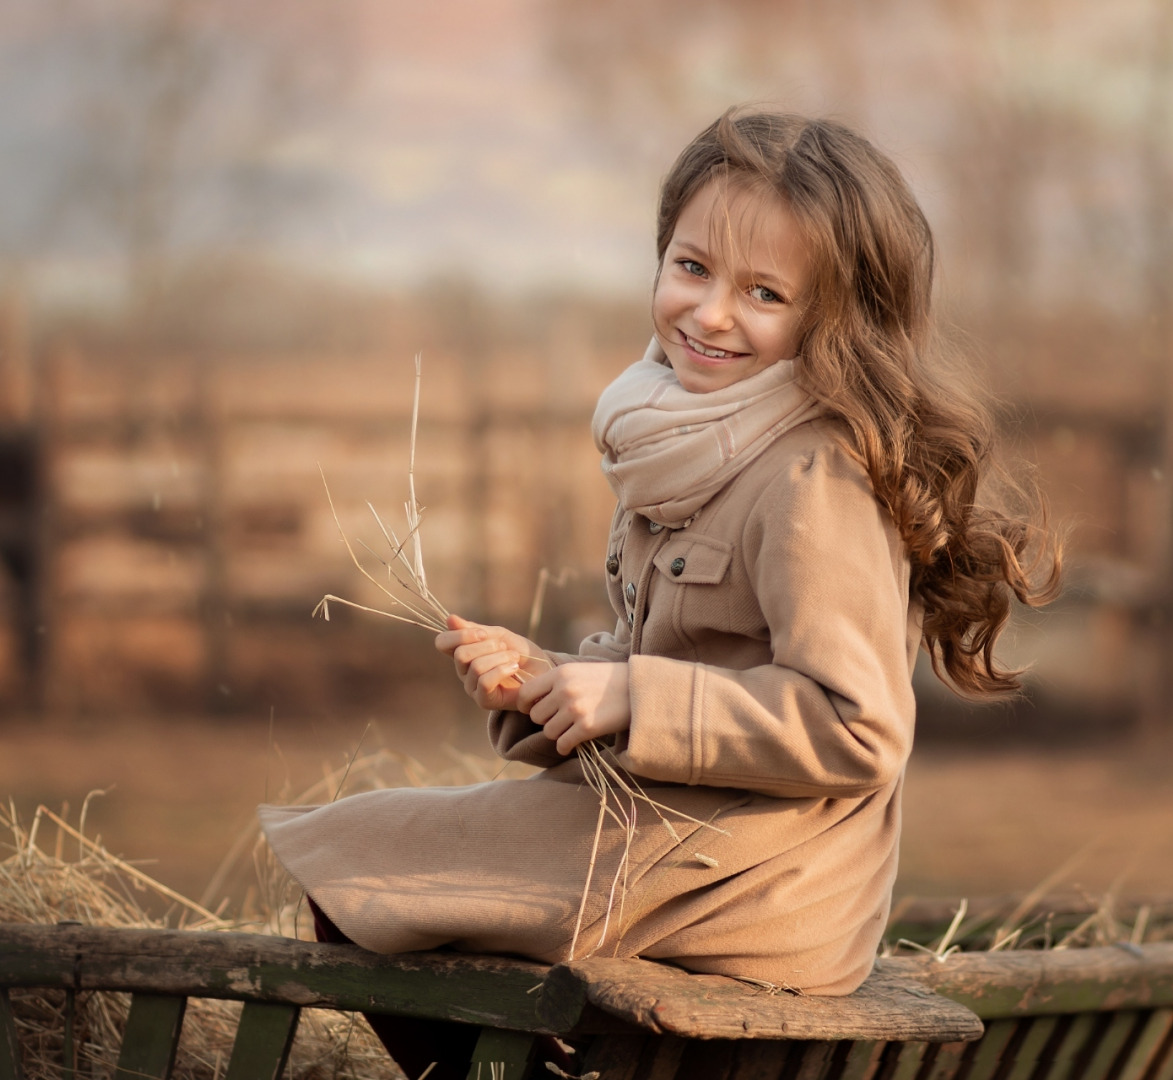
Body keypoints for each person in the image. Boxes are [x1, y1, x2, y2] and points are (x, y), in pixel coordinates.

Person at [260, 108, 1059, 1073]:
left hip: (763, 878)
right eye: (692, 269)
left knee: (366, 865)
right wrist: (545, 681)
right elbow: (681, 656)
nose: (712, 313)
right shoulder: (682, 440)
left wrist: (635, 697)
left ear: (833, 319)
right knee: (361, 866)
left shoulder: (814, 477)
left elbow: (859, 727)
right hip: (677, 826)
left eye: (764, 292)